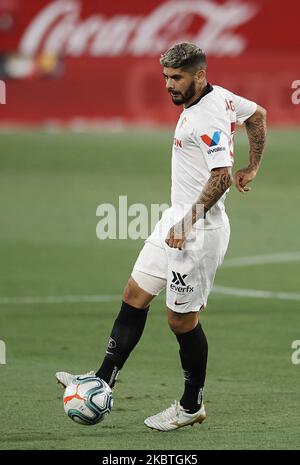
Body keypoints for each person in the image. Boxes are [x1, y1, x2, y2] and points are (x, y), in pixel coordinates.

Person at [56, 43, 267, 432]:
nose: (169, 85)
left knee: (181, 322)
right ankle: (102, 378)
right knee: (135, 294)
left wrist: (187, 222)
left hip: (198, 231)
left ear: (199, 76)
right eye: (166, 78)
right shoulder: (221, 97)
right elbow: (258, 115)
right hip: (175, 219)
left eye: (177, 78)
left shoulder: (206, 117)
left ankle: (191, 405)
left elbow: (220, 176)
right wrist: (253, 167)